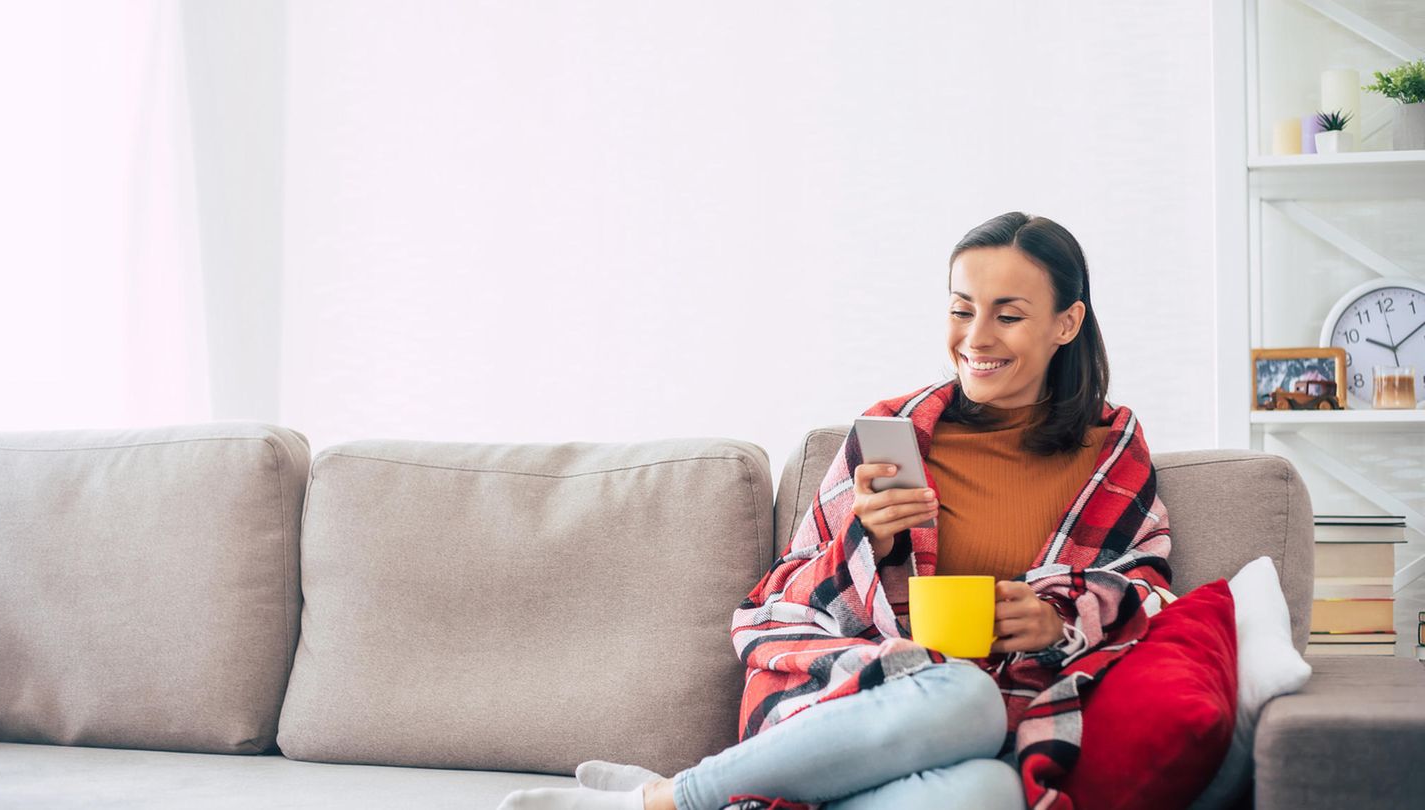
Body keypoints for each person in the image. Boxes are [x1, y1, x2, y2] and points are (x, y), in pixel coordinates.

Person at [496, 211, 1172, 810]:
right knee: (964, 698)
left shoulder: (1108, 449)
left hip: (1004, 709)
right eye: (962, 309)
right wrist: (864, 543)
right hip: (861, 688)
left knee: (992, 793)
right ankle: (670, 801)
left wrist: (1059, 619)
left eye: (1008, 314)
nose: (977, 337)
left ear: (1067, 322)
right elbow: (786, 592)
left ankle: (694, 796)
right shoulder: (893, 432)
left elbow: (1147, 590)